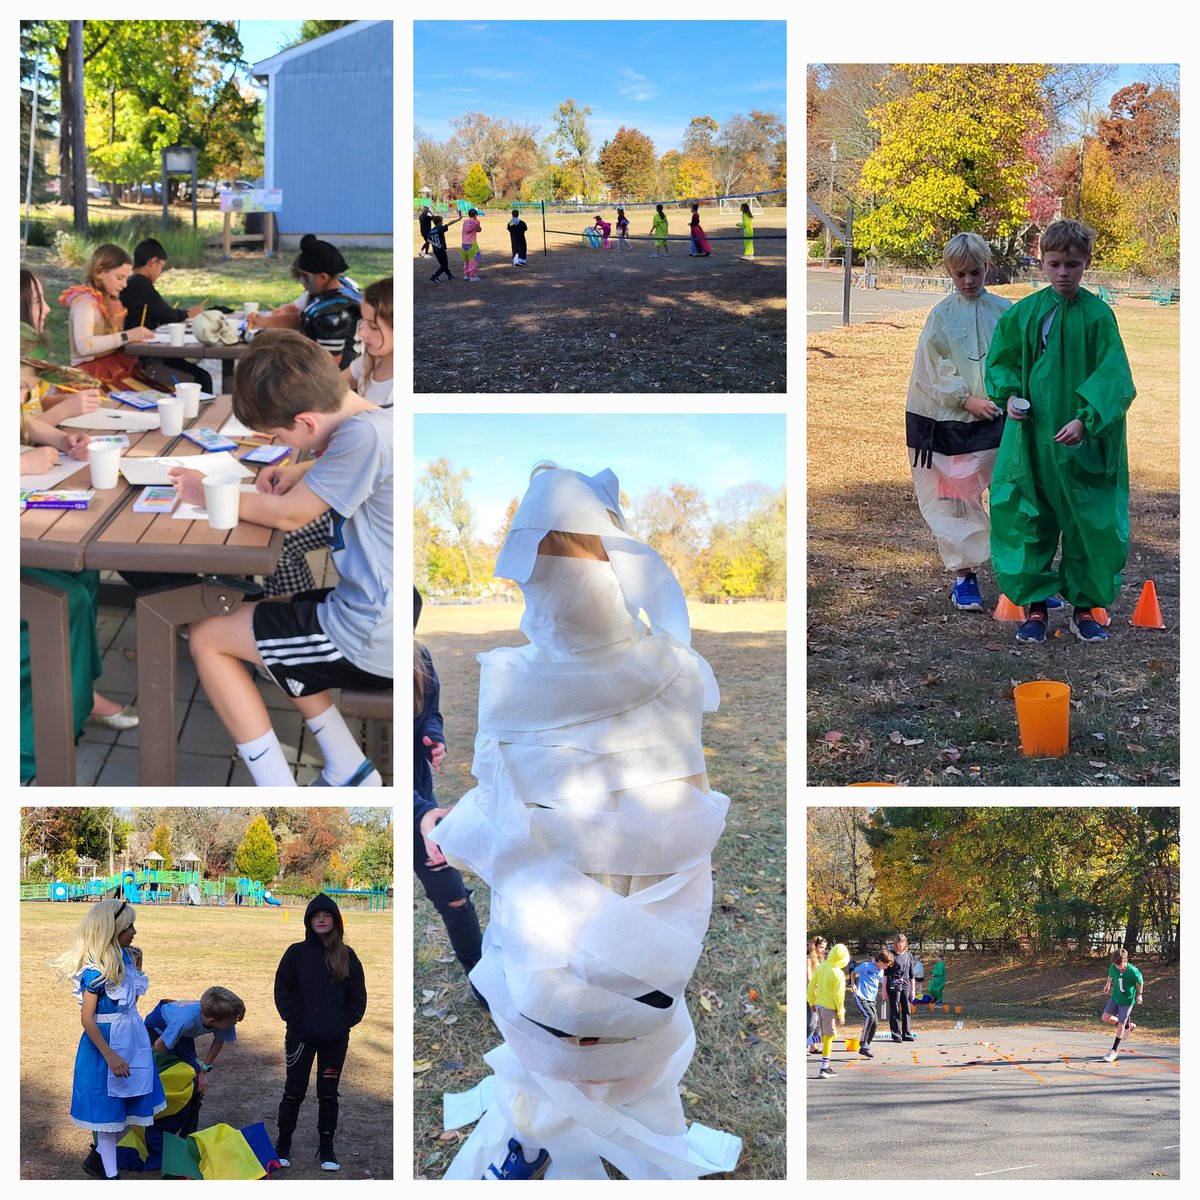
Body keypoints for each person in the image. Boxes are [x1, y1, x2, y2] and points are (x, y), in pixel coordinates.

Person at [428, 465, 741, 1180]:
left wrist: (470, 826)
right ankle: (550, 1130)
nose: (543, 600)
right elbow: (502, 792)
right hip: (573, 895)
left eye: (548, 579)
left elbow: (676, 796)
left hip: (603, 891)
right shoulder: (660, 669)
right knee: (568, 1016)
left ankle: (550, 1134)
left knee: (597, 1014)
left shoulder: (537, 677)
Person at [169, 331, 392, 787]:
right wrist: (301, 469)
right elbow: (346, 464)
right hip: (374, 612)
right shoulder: (375, 422)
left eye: (280, 435)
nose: (281, 442)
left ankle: (278, 790)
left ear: (307, 423)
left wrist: (207, 491)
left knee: (207, 635)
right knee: (276, 617)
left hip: (368, 633)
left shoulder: (363, 438)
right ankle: (350, 767)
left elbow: (289, 516)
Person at [986, 218, 1137, 644]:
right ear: (1042, 262)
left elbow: (1114, 377)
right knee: (1029, 516)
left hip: (1084, 445)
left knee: (1090, 521)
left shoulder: (1097, 316)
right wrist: (1010, 399)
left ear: (1086, 262)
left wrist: (1086, 420)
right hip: (1033, 440)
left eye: (1072, 264)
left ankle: (1085, 608)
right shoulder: (1027, 314)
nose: (1063, 274)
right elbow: (1003, 361)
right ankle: (1035, 608)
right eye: (1054, 264)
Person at [258, 277, 395, 601]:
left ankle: (292, 617)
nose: (361, 333)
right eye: (363, 323)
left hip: (362, 503)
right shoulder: (369, 362)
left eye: (374, 327)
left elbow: (366, 456)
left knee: (284, 539)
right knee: (276, 537)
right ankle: (280, 615)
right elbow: (326, 394)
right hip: (343, 484)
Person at [905, 232, 1013, 614]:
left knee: (1011, 496)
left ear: (987, 267)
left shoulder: (1005, 311)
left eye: (975, 272)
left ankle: (1021, 578)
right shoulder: (941, 317)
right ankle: (964, 577)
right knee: (955, 499)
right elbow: (933, 368)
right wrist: (965, 399)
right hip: (952, 423)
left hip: (1002, 421)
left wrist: (1004, 398)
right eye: (960, 274)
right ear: (949, 273)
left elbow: (1018, 357)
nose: (969, 281)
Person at [50, 898, 166, 1180]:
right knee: (106, 1114)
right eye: (130, 927)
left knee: (127, 1107)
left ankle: (98, 1158)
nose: (135, 932)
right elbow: (87, 1018)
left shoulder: (126, 958)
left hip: (132, 1040)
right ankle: (111, 1176)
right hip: (105, 1045)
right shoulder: (94, 972)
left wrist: (138, 964)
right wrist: (110, 1055)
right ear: (113, 930)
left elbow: (133, 1000)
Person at [414, 587, 484, 991]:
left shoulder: (419, 657)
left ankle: (481, 980)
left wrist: (432, 736)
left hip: (424, 811)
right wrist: (418, 812)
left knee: (454, 898)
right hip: (406, 813)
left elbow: (431, 712)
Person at [273, 893, 367, 1171]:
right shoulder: (296, 953)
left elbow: (357, 998)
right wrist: (295, 1020)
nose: (322, 919)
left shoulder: (347, 956)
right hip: (301, 1037)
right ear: (309, 921)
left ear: (336, 921)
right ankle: (283, 1145)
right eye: (316, 915)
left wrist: (343, 1023)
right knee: (293, 1091)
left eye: (327, 915)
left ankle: (327, 1149)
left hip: (334, 1041)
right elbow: (283, 990)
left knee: (328, 1094)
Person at [249, 235, 362, 368]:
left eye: (305, 277)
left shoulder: (332, 314)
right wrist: (263, 322)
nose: (301, 282)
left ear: (323, 277)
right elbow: (302, 319)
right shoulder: (338, 286)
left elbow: (328, 365)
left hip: (337, 376)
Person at [144, 986, 245, 1134]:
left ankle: (189, 1134)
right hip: (158, 1028)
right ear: (212, 1020)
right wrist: (162, 1069)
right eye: (232, 1022)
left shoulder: (222, 1016)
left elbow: (219, 1041)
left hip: (183, 1034)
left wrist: (203, 1072)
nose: (234, 1025)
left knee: (196, 1081)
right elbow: (160, 1047)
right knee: (170, 1077)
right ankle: (157, 1126)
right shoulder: (186, 1021)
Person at [119, 238, 213, 393]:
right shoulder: (140, 284)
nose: (160, 273)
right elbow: (166, 314)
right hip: (144, 357)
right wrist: (188, 314)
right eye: (161, 267)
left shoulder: (135, 282)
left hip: (146, 349)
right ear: (153, 262)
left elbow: (161, 311)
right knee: (201, 378)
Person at [58, 244, 158, 386]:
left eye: (126, 279)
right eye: (119, 278)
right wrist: (127, 336)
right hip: (90, 374)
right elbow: (84, 346)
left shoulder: (111, 302)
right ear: (99, 272)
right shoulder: (85, 302)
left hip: (112, 365)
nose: (124, 285)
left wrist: (133, 338)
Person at [807, 942, 849, 1079]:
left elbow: (811, 986)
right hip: (829, 1008)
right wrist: (841, 1013)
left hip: (819, 1006)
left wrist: (812, 1002)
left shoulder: (821, 967)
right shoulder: (838, 974)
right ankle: (824, 1068)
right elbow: (839, 996)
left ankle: (824, 1066)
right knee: (829, 1036)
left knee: (828, 1035)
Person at [1100, 947, 1144, 1063]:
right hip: (1115, 997)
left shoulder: (1132, 971)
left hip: (1127, 1001)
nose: (1117, 967)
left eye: (1119, 965)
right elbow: (1110, 974)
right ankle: (1127, 1027)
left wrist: (1139, 994)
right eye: (1115, 965)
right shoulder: (1114, 967)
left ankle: (1114, 1050)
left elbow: (1140, 981)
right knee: (1105, 1017)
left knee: (1120, 1023)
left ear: (1125, 961)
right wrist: (1107, 984)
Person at [851, 949, 892, 1059]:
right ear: (879, 961)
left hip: (871, 999)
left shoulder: (881, 971)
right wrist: (853, 985)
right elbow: (853, 972)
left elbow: (881, 982)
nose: (886, 967)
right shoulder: (866, 965)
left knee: (875, 1023)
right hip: (861, 996)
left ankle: (865, 1047)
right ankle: (862, 1042)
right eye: (886, 965)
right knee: (870, 1017)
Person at [884, 932, 915, 1042]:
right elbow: (885, 974)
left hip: (905, 985)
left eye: (902, 942)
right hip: (893, 984)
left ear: (905, 943)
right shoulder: (891, 954)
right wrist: (883, 990)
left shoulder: (909, 955)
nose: (900, 945)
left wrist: (913, 990)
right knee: (895, 1009)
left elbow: (912, 974)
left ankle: (906, 1033)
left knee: (906, 1009)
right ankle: (896, 1034)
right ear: (895, 943)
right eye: (898, 942)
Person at [806, 936, 828, 1053]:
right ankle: (805, 1044)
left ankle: (813, 1046)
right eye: (821, 947)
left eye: (824, 947)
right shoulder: (809, 959)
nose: (823, 950)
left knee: (819, 1023)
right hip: (811, 994)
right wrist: (814, 988)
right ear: (814, 946)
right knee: (811, 1022)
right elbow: (809, 978)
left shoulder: (821, 961)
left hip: (821, 994)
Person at [428, 213, 461, 282]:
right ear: (439, 222)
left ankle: (449, 275)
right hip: (441, 249)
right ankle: (435, 276)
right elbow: (450, 223)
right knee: (445, 265)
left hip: (435, 250)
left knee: (443, 264)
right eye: (442, 221)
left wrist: (435, 245)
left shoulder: (431, 230)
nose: (442, 222)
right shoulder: (440, 228)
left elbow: (428, 240)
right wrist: (458, 219)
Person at [461, 209, 483, 281]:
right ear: (475, 215)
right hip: (472, 243)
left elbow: (466, 230)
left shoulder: (465, 222)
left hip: (464, 243)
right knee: (473, 260)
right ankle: (473, 276)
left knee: (466, 260)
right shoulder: (475, 222)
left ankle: (466, 274)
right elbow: (478, 230)